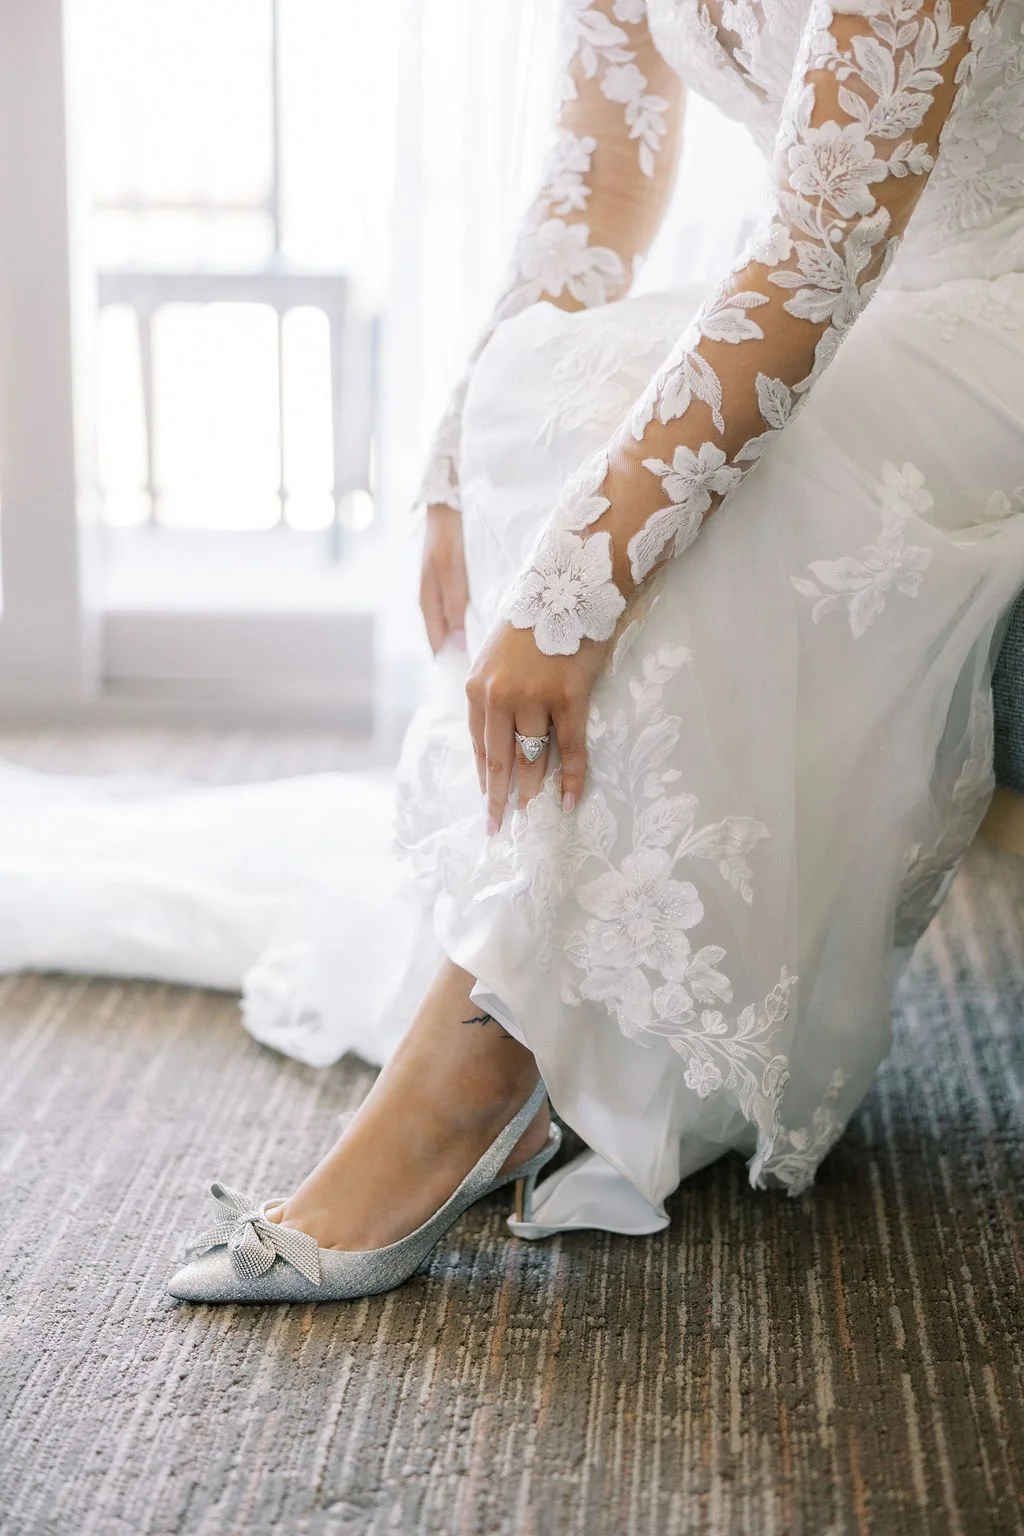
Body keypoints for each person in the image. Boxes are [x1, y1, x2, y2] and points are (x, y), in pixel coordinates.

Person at [168, 0, 1024, 1302]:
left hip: (986, 308)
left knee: (741, 502)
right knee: (557, 383)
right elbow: (603, 179)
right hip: (864, 299)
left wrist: (572, 584)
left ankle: (474, 1079)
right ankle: (542, 1013)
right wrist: (463, 437)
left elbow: (816, 254)